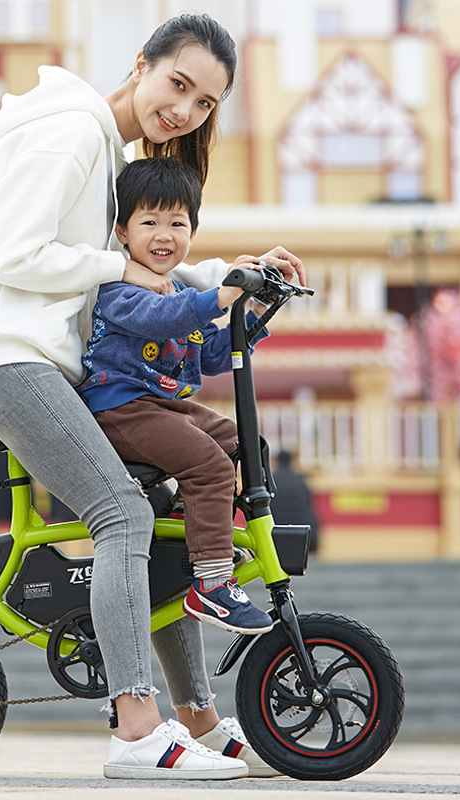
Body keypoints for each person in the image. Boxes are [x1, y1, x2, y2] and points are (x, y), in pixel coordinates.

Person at [0, 13, 305, 780]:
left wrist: (233, 278)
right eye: (178, 84)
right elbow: (13, 254)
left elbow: (139, 270)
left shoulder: (113, 155)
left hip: (37, 360)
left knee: (163, 518)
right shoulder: (73, 134)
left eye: (205, 103)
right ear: (141, 64)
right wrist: (122, 269)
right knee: (123, 515)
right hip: (0, 357)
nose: (185, 110)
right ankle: (137, 730)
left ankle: (196, 717)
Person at [79, 157, 274, 635]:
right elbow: (163, 319)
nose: (163, 235)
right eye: (149, 222)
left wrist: (259, 309)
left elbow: (214, 355)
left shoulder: (181, 290)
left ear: (193, 231)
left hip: (163, 408)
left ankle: (195, 532)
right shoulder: (119, 288)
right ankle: (212, 583)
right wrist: (221, 297)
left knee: (241, 442)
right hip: (121, 408)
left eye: (177, 223)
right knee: (209, 465)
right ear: (122, 232)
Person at [271, 450, 320, 553]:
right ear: (291, 462)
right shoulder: (300, 482)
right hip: (300, 534)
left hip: (275, 534)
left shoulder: (271, 481)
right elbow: (309, 510)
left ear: (276, 461)